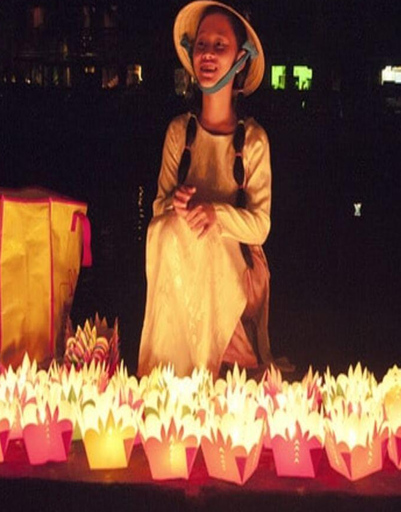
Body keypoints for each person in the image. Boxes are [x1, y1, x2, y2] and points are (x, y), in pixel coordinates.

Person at [138, 1, 290, 377]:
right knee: (165, 230)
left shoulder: (252, 140)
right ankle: (165, 371)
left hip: (236, 275)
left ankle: (217, 363)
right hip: (183, 263)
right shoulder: (180, 132)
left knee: (203, 236)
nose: (207, 54)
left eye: (219, 45)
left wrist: (214, 214)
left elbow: (260, 226)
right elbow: (158, 209)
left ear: (240, 59)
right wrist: (177, 205)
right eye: (202, 44)